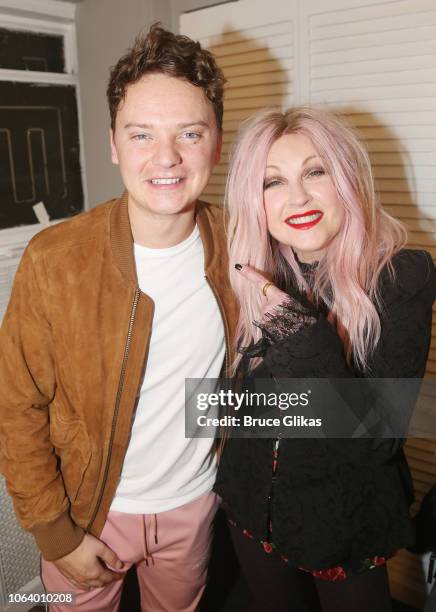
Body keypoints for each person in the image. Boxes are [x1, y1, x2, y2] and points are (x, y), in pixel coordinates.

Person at [0, 24, 237, 612]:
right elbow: (16, 406)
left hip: (194, 505)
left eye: (189, 133)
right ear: (112, 143)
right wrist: (56, 531)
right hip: (90, 515)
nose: (167, 158)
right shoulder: (55, 260)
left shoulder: (242, 243)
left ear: (216, 142)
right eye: (141, 135)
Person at [214, 106, 436, 612]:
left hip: (342, 521)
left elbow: (377, 440)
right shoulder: (253, 271)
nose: (297, 197)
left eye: (316, 171)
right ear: (256, 200)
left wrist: (301, 336)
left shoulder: (402, 277)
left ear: (348, 178)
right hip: (250, 504)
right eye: (273, 182)